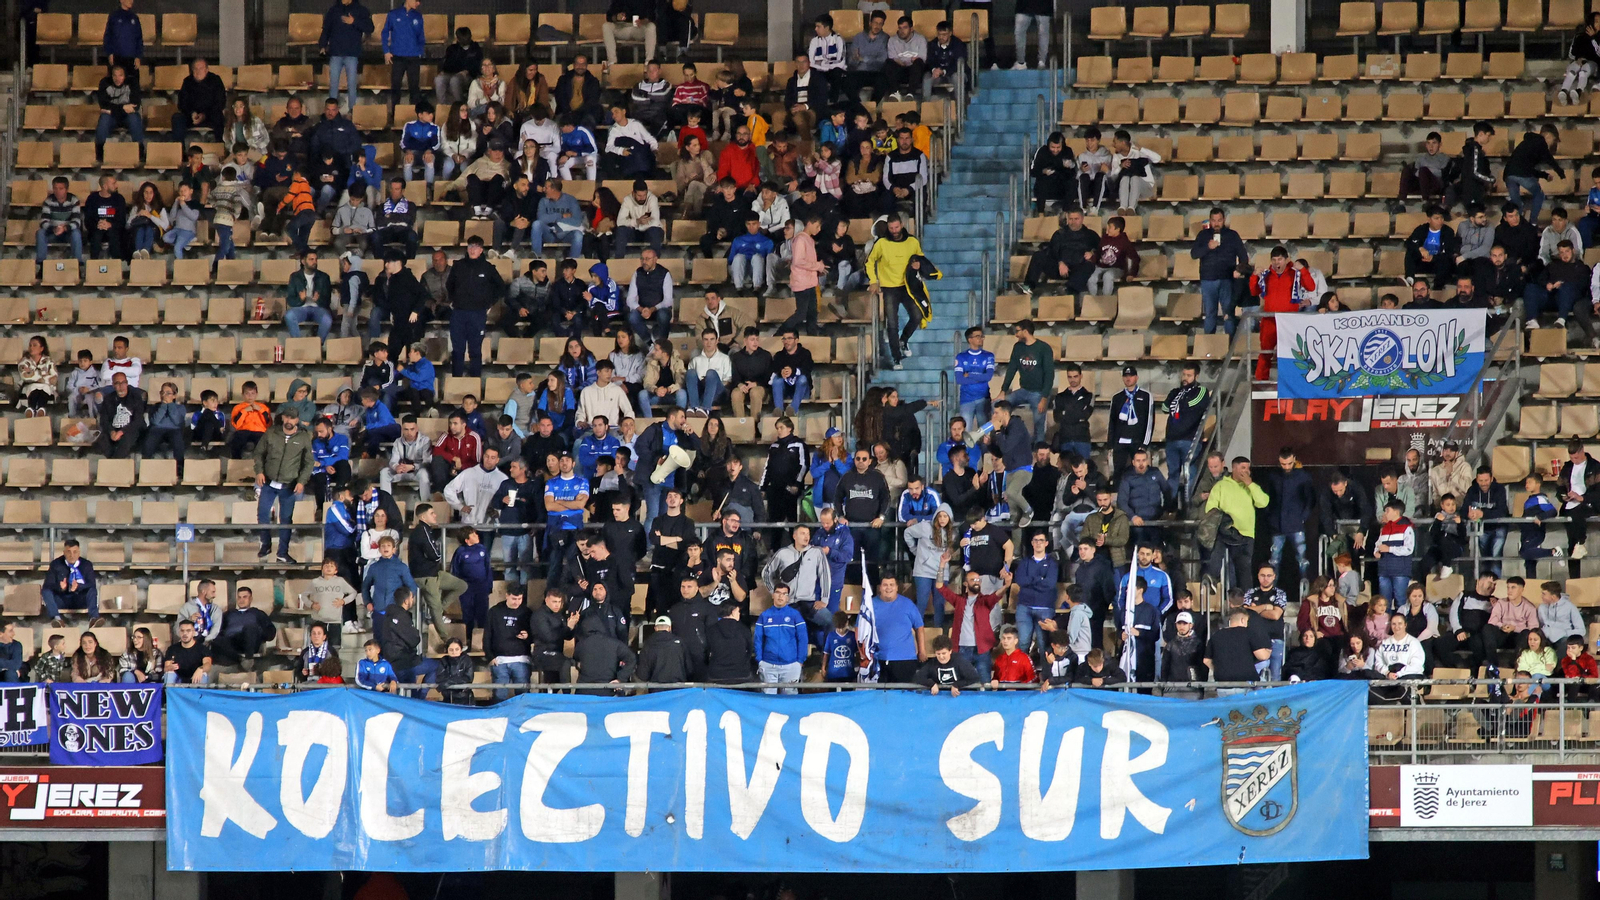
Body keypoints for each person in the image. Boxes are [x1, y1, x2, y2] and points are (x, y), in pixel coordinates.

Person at [253, 410, 315, 562]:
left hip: (289, 485)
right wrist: (259, 471)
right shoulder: (271, 433)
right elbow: (258, 453)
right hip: (268, 482)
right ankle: (266, 544)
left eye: (292, 418)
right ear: (282, 417)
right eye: (287, 416)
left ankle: (282, 552)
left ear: (297, 420)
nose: (289, 420)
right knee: (262, 514)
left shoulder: (303, 437)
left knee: (286, 520)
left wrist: (302, 481)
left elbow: (309, 462)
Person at [1203, 456, 1270, 593]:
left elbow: (1263, 502)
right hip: (1225, 531)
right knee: (1215, 553)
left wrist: (1250, 484)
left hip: (1245, 534)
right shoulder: (1221, 486)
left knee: (1244, 569)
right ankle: (1212, 581)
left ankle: (1247, 602)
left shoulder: (1251, 487)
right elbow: (1210, 509)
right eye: (1243, 468)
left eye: (1248, 468)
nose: (1246, 471)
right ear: (1234, 468)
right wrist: (1222, 521)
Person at [43, 540, 102, 628]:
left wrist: (79, 586)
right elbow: (48, 585)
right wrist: (60, 587)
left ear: (79, 552)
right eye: (68, 552)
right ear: (64, 552)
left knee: (92, 590)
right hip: (62, 599)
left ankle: (94, 618)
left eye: (75, 552)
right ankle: (57, 618)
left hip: (80, 598)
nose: (72, 555)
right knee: (45, 591)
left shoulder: (86, 565)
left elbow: (91, 584)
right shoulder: (55, 564)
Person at [211, 587, 277, 665]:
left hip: (249, 641)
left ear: (251, 599)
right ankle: (240, 659)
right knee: (213, 637)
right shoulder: (229, 614)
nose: (241, 600)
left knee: (250, 627)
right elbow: (218, 628)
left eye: (245, 597)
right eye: (239, 597)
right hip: (232, 642)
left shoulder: (257, 613)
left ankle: (248, 659)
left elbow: (271, 631)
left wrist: (261, 634)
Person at [171, 59, 226, 142]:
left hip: (210, 115)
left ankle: (220, 147)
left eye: (201, 68)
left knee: (219, 117)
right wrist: (191, 113)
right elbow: (182, 103)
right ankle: (180, 150)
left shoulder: (215, 80)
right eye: (195, 69)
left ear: (206, 70)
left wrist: (204, 115)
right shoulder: (187, 81)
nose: (198, 71)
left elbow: (220, 102)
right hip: (192, 117)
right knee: (177, 118)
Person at [163, 621, 213, 685]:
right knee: (169, 674)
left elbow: (208, 664)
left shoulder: (202, 649)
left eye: (188, 631)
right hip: (178, 678)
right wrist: (170, 667)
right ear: (179, 632)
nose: (185, 634)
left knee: (203, 674)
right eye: (182, 631)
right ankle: (169, 694)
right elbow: (166, 668)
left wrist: (200, 669)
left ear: (194, 632)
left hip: (195, 677)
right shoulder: (172, 649)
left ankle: (198, 694)